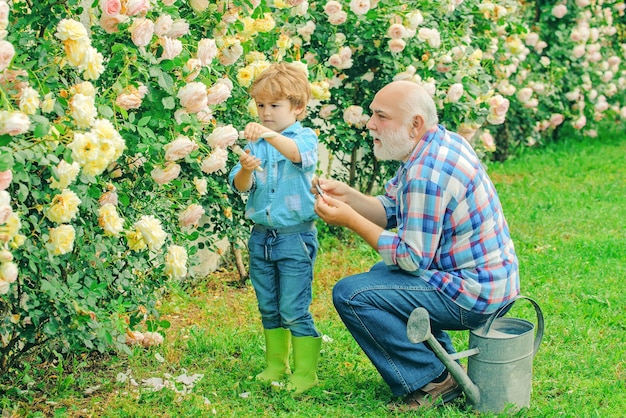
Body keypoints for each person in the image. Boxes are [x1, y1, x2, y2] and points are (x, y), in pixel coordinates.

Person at [312, 80, 520, 411]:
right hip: (489, 282)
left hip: (475, 297)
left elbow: (410, 258)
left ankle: (432, 380)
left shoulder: (427, 171)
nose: (370, 124)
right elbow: (392, 208)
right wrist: (349, 197)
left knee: (352, 294)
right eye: (371, 114)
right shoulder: (438, 143)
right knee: (381, 275)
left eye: (381, 116)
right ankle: (444, 367)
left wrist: (350, 219)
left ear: (415, 124)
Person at [228, 62, 321, 395]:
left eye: (274, 106)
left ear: (298, 108)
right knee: (268, 305)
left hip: (295, 237)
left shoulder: (304, 137)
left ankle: (305, 373)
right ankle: (275, 365)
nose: (265, 113)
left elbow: (299, 156)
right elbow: (241, 187)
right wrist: (246, 168)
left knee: (293, 308)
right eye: (261, 106)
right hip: (261, 238)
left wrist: (268, 134)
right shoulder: (255, 146)